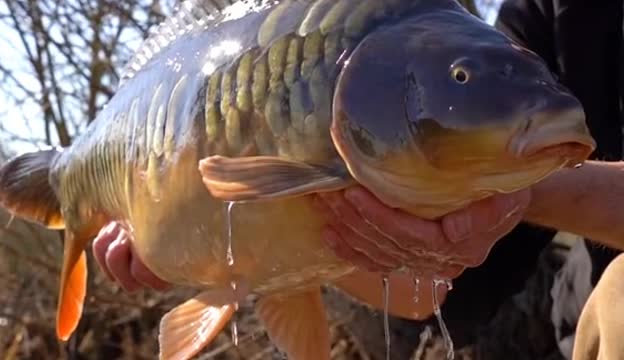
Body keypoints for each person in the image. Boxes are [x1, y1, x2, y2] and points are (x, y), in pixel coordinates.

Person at [93, 0, 624, 357]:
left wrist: (522, 184)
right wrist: (267, 248)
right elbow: (441, 296)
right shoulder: (540, 16)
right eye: (459, 77)